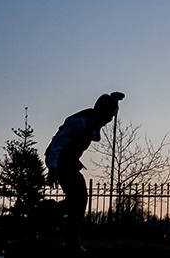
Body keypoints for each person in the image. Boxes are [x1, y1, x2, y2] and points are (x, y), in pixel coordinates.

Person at [45, 91, 124, 252]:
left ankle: (68, 236)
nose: (109, 121)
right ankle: (46, 213)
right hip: (59, 159)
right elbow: (59, 142)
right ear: (101, 111)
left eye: (112, 116)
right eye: (108, 115)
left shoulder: (94, 121)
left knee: (78, 200)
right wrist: (52, 168)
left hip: (68, 161)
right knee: (79, 198)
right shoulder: (81, 121)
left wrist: (115, 100)